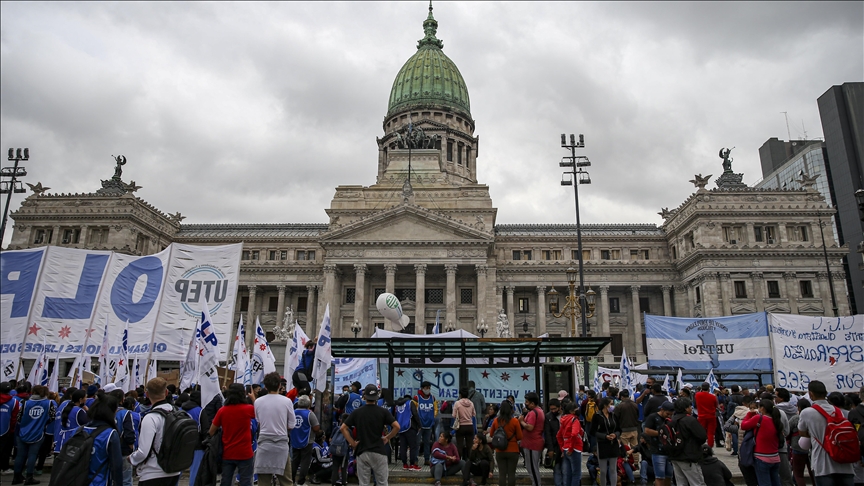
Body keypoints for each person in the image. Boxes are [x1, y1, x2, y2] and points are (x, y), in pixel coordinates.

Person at [340, 384, 400, 486]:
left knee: (363, 483)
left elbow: (343, 428)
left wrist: (353, 443)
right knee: (382, 482)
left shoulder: (357, 412)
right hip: (379, 451)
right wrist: (387, 438)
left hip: (362, 451)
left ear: (364, 396)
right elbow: (397, 427)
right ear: (376, 397)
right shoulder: (383, 412)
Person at [797, 380, 855, 486]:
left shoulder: (807, 412)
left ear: (811, 394)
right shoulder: (838, 411)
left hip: (822, 464)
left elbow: (802, 432)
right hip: (844, 461)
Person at [129, 378, 182, 486]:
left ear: (147, 394)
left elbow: (143, 451)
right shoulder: (178, 412)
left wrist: (131, 458)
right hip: (174, 470)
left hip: (153, 473)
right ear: (166, 392)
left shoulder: (151, 417)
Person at [208, 383, 256, 486]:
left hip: (228, 452)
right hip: (245, 452)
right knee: (246, 482)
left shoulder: (222, 411)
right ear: (243, 394)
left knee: (226, 481)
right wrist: (253, 399)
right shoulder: (248, 409)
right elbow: (261, 412)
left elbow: (211, 431)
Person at [254, 372, 295, 486]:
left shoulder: (258, 402)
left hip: (264, 444)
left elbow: (258, 421)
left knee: (263, 481)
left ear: (265, 386)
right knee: (286, 481)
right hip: (281, 444)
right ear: (279, 386)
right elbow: (292, 424)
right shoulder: (287, 401)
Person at [78, 392, 125, 486]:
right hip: (99, 482)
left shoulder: (78, 430)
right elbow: (117, 466)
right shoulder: (111, 434)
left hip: (77, 480)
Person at [12, 384, 55, 485]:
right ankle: (29, 477)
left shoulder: (25, 402)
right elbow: (52, 417)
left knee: (20, 455)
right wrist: (43, 423)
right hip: (38, 432)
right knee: (32, 455)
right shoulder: (48, 403)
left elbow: (18, 417)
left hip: (23, 431)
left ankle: (16, 476)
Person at [741, 398, 784, 486]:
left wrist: (749, 414)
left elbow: (744, 425)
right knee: (776, 482)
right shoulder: (776, 420)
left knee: (764, 483)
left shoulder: (759, 418)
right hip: (775, 457)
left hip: (761, 457)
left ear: (762, 408)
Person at [667, 397, 707, 486]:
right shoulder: (690, 420)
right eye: (689, 406)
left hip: (675, 455)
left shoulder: (671, 421)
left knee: (681, 483)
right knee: (697, 483)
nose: (691, 408)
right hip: (689, 456)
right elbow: (702, 436)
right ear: (685, 408)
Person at [488, 400, 522, 486]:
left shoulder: (496, 421)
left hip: (500, 450)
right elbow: (520, 436)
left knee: (502, 474)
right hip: (513, 450)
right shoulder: (515, 421)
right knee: (511, 473)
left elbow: (491, 434)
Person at [589, 397, 620, 486]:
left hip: (613, 443)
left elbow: (619, 429)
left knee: (613, 469)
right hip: (602, 443)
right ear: (605, 405)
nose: (612, 406)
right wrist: (604, 436)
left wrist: (615, 435)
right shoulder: (597, 416)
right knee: (603, 470)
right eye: (611, 404)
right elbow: (592, 431)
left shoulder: (613, 415)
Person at [108, 389, 136, 486]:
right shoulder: (125, 413)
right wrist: (131, 446)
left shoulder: (106, 411)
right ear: (122, 399)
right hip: (123, 450)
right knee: (126, 481)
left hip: (108, 450)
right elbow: (129, 432)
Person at [643, 401, 675, 486]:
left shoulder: (670, 419)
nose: (669, 416)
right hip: (658, 451)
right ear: (662, 410)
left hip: (669, 451)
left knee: (669, 476)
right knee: (660, 476)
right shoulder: (653, 417)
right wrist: (661, 433)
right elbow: (647, 430)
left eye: (671, 414)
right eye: (667, 413)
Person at [292, 395, 321, 486]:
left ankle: (291, 481)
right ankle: (301, 482)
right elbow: (316, 428)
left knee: (294, 461)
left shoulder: (293, 412)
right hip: (307, 441)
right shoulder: (309, 414)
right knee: (305, 462)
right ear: (308, 404)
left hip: (295, 440)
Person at [518, 392, 545, 486]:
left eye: (527, 402)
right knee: (532, 467)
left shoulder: (534, 413)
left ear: (533, 403)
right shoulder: (539, 411)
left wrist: (521, 421)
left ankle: (536, 484)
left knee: (532, 468)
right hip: (532, 442)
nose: (526, 404)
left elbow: (530, 427)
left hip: (532, 444)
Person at [788, 398, 816, 486]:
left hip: (797, 447)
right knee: (814, 473)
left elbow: (787, 431)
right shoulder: (814, 418)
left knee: (798, 474)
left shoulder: (795, 418)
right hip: (812, 447)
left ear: (799, 408)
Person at [556, 401, 583, 486]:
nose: (578, 410)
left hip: (566, 449)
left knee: (568, 474)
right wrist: (571, 448)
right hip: (574, 448)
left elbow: (558, 436)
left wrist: (563, 448)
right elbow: (574, 434)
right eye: (576, 409)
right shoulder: (574, 420)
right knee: (576, 474)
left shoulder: (563, 420)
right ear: (571, 411)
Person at [179, 391, 203, 486]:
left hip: (181, 443)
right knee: (195, 471)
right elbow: (202, 428)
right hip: (196, 444)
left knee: (177, 469)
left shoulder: (180, 409)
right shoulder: (200, 411)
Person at [394, 393, 421, 471]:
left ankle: (404, 464)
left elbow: (395, 416)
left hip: (401, 427)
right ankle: (412, 464)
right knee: (413, 446)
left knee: (403, 446)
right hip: (410, 427)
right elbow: (415, 414)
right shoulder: (410, 403)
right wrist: (419, 425)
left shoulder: (397, 405)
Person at [614, 389, 641, 465]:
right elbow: (637, 415)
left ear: (622, 397)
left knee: (624, 447)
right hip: (634, 429)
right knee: (635, 447)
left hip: (624, 430)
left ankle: (626, 461)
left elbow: (616, 418)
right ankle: (636, 463)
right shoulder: (635, 405)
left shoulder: (619, 406)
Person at [415, 382, 438, 465]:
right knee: (416, 443)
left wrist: (433, 417)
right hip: (419, 425)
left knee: (427, 443)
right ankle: (415, 460)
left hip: (428, 425)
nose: (427, 389)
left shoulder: (432, 398)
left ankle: (427, 459)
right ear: (422, 388)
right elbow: (413, 410)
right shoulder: (416, 398)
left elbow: (436, 409)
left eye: (429, 388)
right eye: (426, 388)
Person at [0, 382, 21, 475]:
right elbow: (14, 418)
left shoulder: (14, 401)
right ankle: (4, 468)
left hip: (5, 429)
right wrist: (12, 429)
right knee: (6, 450)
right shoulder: (14, 402)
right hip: (6, 429)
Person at [452, 387, 477, 461]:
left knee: (459, 445)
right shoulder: (471, 403)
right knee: (470, 446)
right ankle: (471, 462)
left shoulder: (457, 403)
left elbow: (453, 415)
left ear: (460, 395)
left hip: (461, 426)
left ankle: (459, 462)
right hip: (470, 426)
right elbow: (474, 414)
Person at [543, 398, 563, 486]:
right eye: (551, 409)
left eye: (555, 409)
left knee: (566, 470)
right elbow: (548, 434)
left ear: (559, 407)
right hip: (555, 447)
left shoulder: (565, 415)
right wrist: (550, 449)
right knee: (557, 469)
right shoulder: (548, 417)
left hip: (566, 447)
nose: (553, 411)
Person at [694, 383, 718, 448]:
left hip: (701, 416)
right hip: (711, 416)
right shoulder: (713, 397)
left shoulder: (697, 395)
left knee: (701, 432)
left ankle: (700, 445)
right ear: (709, 388)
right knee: (710, 433)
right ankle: (710, 447)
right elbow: (716, 406)